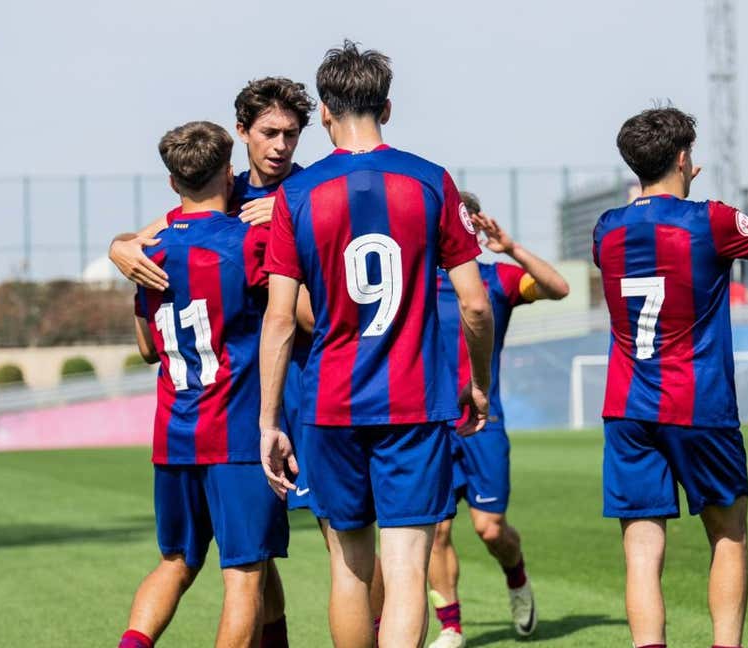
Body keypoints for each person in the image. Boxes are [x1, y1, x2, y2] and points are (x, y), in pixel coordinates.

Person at [258, 41, 494, 648]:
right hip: (414, 404)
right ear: (386, 108)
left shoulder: (297, 196)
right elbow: (474, 303)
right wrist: (481, 384)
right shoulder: (431, 182)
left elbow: (281, 319)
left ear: (327, 115)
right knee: (408, 567)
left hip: (330, 405)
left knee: (348, 568)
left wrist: (267, 422)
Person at [593, 107, 748, 648]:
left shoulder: (606, 229)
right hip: (699, 405)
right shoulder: (709, 220)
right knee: (728, 537)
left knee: (642, 557)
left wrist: (659, 188)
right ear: (683, 157)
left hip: (627, 409)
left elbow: (646, 231)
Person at [109, 77, 317, 648]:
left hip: (174, 432)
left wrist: (124, 249)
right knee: (246, 573)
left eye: (289, 134)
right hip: (239, 432)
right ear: (230, 169)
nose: (279, 145)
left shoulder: (152, 255)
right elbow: (302, 317)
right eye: (268, 133)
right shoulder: (246, 243)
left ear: (174, 180)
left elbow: (148, 348)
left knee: (177, 561)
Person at [426, 192, 570, 648]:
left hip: (486, 423)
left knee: (490, 529)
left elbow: (558, 287)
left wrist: (512, 249)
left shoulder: (496, 281)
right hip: (430, 425)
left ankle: (516, 574)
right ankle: (451, 626)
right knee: (436, 530)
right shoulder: (412, 284)